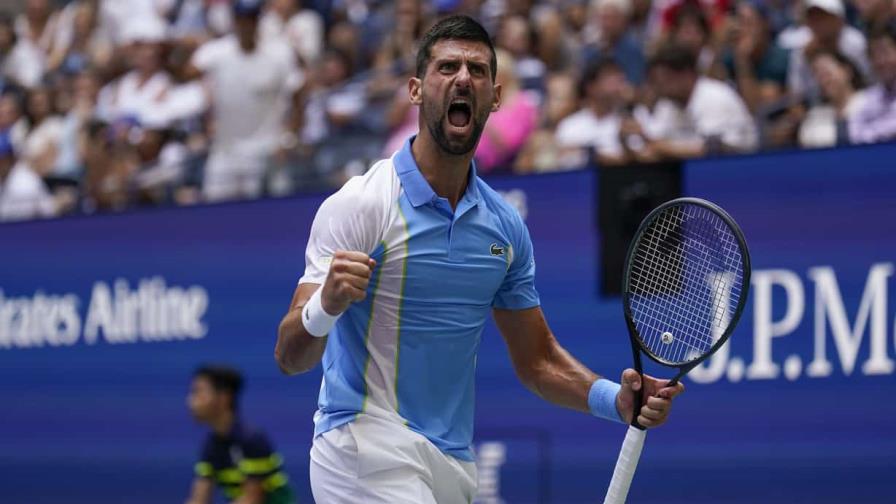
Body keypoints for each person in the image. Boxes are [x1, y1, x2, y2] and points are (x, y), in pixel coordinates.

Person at [274, 15, 685, 503]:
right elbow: (289, 356)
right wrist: (327, 303)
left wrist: (613, 401)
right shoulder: (364, 205)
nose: (463, 78)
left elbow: (537, 360)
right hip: (363, 445)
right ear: (416, 90)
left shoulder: (505, 228)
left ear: (495, 97)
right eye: (447, 67)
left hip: (452, 462)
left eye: (477, 69)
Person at [189, 0, 303, 202]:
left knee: (271, 216)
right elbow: (186, 73)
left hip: (267, 149)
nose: (247, 25)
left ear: (258, 21)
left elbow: (298, 95)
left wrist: (289, 138)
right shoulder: (216, 52)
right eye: (242, 19)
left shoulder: (279, 53)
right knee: (214, 214)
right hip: (225, 150)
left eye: (251, 19)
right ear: (234, 21)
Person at [185, 365, 296, 504]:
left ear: (224, 397)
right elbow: (199, 498)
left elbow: (252, 499)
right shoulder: (211, 445)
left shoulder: (252, 440)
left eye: (199, 392)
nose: (191, 400)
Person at [848, 24, 896, 144]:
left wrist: (874, 130)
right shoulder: (868, 98)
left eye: (885, 53)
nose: (881, 61)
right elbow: (855, 133)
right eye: (875, 56)